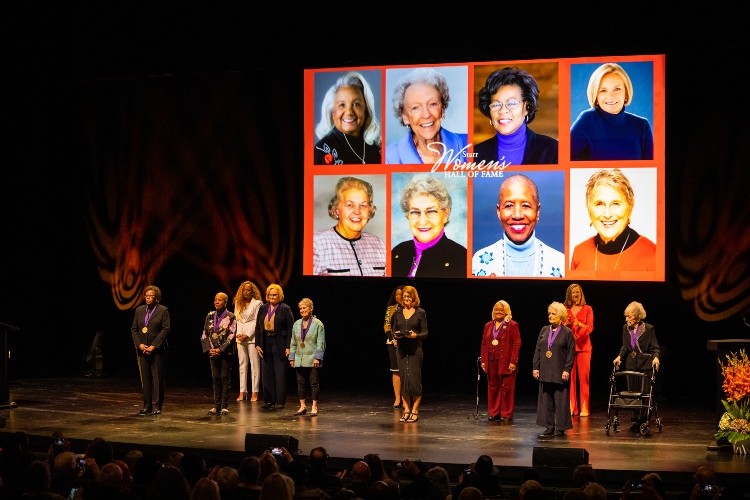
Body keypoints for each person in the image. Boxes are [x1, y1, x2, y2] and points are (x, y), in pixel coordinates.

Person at [472, 174, 565, 277]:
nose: (517, 215)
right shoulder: (479, 263)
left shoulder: (560, 263)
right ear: (498, 211)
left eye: (526, 206)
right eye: (509, 206)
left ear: (537, 211)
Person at [570, 168, 656, 272]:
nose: (607, 214)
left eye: (615, 204)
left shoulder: (652, 254)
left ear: (630, 207)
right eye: (599, 204)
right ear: (589, 208)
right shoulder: (579, 252)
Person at [475, 67, 558, 165]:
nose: (503, 110)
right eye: (496, 105)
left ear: (526, 107)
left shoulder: (553, 150)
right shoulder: (474, 154)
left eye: (511, 103)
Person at [571, 63, 654, 161]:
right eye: (603, 91)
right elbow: (564, 157)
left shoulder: (642, 126)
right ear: (596, 96)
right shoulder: (586, 121)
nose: (610, 96)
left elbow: (651, 169)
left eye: (617, 89)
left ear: (626, 94)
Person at [386, 67, 468, 164]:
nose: (426, 115)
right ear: (405, 117)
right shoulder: (389, 157)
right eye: (415, 107)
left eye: (432, 104)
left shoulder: (466, 143)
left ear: (442, 109)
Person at [391, 174, 467, 278]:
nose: (422, 221)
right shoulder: (397, 252)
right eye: (415, 212)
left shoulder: (462, 258)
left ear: (445, 214)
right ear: (407, 215)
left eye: (431, 211)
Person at [312, 176, 386, 276]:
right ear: (336, 209)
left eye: (363, 205)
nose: (357, 211)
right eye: (350, 205)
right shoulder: (317, 244)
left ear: (369, 211)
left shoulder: (378, 244)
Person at [314, 71, 382, 165]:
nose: (349, 112)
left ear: (366, 109)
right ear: (332, 111)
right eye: (342, 105)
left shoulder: (380, 147)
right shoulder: (320, 151)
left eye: (356, 104)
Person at [613, 301, 660, 430]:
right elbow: (624, 347)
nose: (626, 319)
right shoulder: (625, 328)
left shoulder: (649, 329)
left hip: (645, 365)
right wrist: (619, 357)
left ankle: (643, 420)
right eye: (626, 316)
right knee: (632, 393)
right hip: (630, 364)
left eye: (629, 316)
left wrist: (656, 358)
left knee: (644, 394)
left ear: (638, 317)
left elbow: (655, 347)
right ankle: (634, 420)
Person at [533, 302, 575, 436]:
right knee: (546, 400)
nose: (550, 316)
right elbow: (538, 349)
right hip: (545, 370)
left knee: (561, 400)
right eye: (549, 313)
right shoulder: (544, 330)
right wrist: (535, 366)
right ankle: (549, 426)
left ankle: (561, 427)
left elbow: (570, 353)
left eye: (553, 314)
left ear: (561, 316)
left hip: (559, 371)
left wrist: (567, 369)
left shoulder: (567, 332)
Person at [390, 286, 428, 423]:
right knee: (404, 380)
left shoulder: (420, 312)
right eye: (404, 296)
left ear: (414, 298)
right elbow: (394, 329)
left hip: (415, 349)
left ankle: (415, 410)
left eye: (408, 296)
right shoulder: (398, 312)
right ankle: (406, 409)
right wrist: (395, 337)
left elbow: (425, 332)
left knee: (414, 381)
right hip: (401, 349)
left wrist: (415, 335)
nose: (406, 299)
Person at [130, 285, 170, 415]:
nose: (148, 298)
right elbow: (134, 329)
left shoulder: (163, 310)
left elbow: (165, 329)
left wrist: (154, 345)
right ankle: (147, 405)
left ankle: (157, 406)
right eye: (146, 296)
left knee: (157, 379)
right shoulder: (139, 310)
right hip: (142, 349)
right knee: (145, 379)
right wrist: (139, 345)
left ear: (157, 298)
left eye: (151, 296)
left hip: (157, 350)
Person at [255, 284, 295, 410]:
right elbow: (257, 327)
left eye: (275, 295)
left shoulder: (285, 308)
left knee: (280, 373)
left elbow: (290, 329)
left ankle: (280, 402)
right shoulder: (263, 308)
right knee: (267, 373)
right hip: (265, 342)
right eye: (270, 295)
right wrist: (257, 344)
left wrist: (288, 346)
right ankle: (269, 400)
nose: (272, 297)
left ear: (279, 296)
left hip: (280, 343)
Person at [481, 300, 521, 421]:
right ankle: (494, 412)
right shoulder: (488, 325)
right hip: (491, 360)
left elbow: (517, 343)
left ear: (506, 312)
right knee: (493, 387)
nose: (498, 312)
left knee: (507, 387)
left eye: (501, 310)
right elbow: (483, 343)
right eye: (496, 309)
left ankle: (506, 414)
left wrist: (514, 361)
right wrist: (483, 360)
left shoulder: (512, 325)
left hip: (506, 361)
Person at [201, 293, 237, 415]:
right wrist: (209, 349)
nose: (216, 302)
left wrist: (220, 349)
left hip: (225, 353)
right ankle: (216, 405)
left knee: (224, 378)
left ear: (225, 302)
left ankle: (224, 406)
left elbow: (232, 335)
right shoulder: (210, 316)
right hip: (212, 352)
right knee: (216, 378)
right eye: (215, 300)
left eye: (219, 300)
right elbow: (205, 334)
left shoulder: (231, 316)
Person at [289, 298, 326, 417]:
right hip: (299, 358)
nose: (302, 310)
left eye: (305, 308)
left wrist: (318, 358)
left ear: (311, 308)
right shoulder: (296, 324)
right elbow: (293, 342)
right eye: (300, 308)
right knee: (301, 383)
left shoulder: (318, 324)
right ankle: (302, 406)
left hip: (312, 358)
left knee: (314, 383)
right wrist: (292, 358)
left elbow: (321, 342)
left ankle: (314, 407)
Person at [564, 284, 594, 417]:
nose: (575, 295)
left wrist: (579, 327)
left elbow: (590, 327)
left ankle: (584, 407)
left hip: (584, 347)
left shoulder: (588, 308)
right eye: (572, 292)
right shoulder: (565, 309)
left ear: (581, 294)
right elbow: (562, 326)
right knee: (570, 378)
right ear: (569, 295)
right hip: (569, 347)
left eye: (577, 292)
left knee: (584, 378)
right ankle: (571, 407)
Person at [233, 281, 263, 402]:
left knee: (255, 364)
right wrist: (239, 334)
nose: (246, 292)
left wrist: (248, 334)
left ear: (252, 291)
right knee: (242, 364)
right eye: (244, 290)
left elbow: (257, 320)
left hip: (252, 337)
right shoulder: (238, 303)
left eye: (248, 290)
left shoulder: (258, 303)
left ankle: (255, 392)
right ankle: (242, 391)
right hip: (240, 337)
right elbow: (237, 320)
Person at [383, 286, 405, 409]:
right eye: (396, 294)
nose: (398, 297)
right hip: (392, 342)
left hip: (406, 342)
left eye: (400, 294)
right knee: (395, 370)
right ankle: (397, 398)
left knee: (405, 371)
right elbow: (386, 326)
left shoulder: (409, 309)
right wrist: (393, 339)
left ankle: (405, 397)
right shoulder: (391, 309)